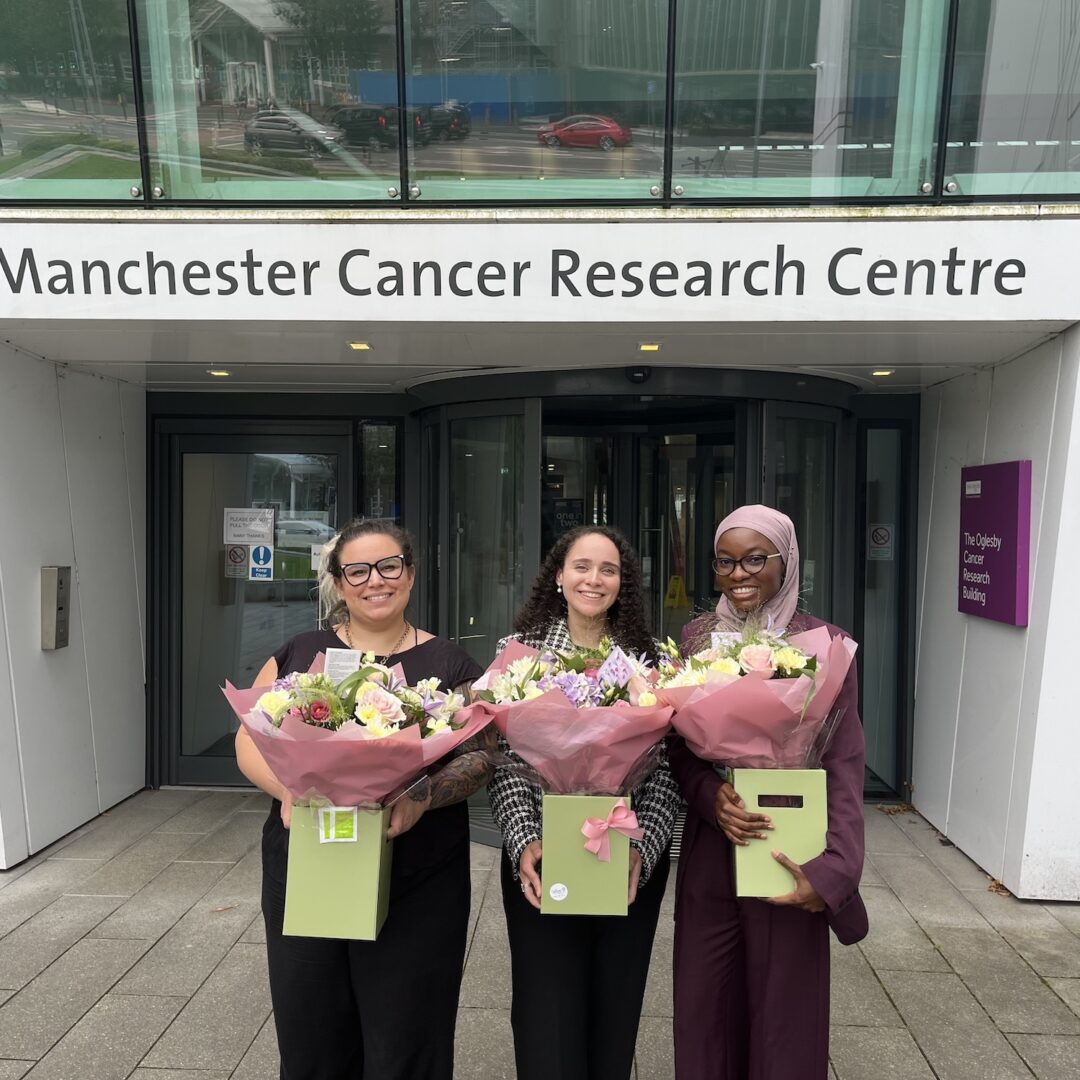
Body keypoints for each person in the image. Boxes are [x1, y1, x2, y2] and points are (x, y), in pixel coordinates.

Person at [235, 518, 493, 1080]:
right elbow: (247, 741)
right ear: (338, 580)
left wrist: (422, 796)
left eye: (389, 566)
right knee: (312, 1035)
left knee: (407, 1035)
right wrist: (293, 792)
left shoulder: (450, 664)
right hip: (309, 866)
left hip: (418, 878)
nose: (375, 580)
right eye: (357, 570)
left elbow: (481, 756)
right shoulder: (301, 654)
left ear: (411, 574)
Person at [669, 505, 868, 1080]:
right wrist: (710, 796)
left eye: (756, 558)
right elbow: (679, 748)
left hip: (791, 847)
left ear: (787, 561)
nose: (739, 574)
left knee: (786, 1013)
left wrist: (833, 873)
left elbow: (844, 761)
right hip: (716, 847)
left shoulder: (825, 645)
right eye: (725, 561)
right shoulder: (696, 638)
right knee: (706, 1006)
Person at [488, 525, 682, 1080]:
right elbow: (504, 762)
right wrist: (526, 839)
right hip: (545, 852)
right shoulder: (518, 657)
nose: (594, 579)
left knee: (615, 1009)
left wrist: (645, 847)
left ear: (624, 583)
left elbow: (668, 766)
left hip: (625, 853)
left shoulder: (648, 662)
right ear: (558, 574)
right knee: (546, 1009)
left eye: (609, 569)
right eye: (582, 566)